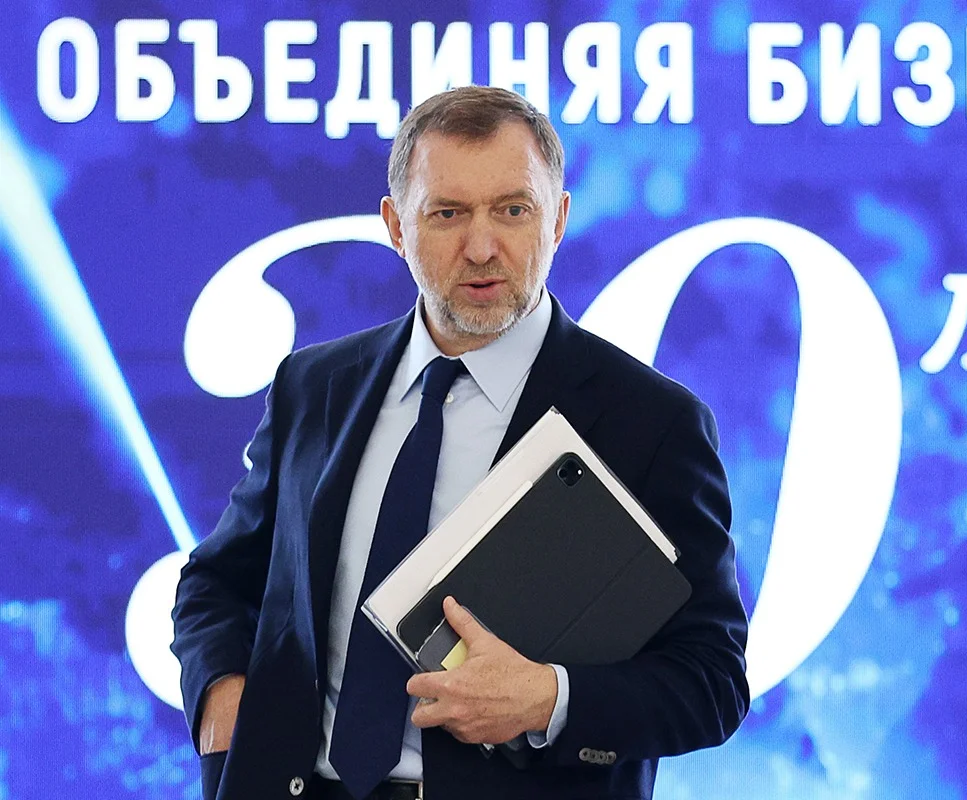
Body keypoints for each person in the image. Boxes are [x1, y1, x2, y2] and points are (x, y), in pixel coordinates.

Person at [171, 85, 749, 800]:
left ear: (559, 219)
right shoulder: (312, 387)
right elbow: (217, 583)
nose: (482, 247)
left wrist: (547, 699)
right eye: (447, 213)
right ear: (395, 225)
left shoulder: (653, 423)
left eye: (513, 210)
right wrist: (221, 704)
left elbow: (713, 681)